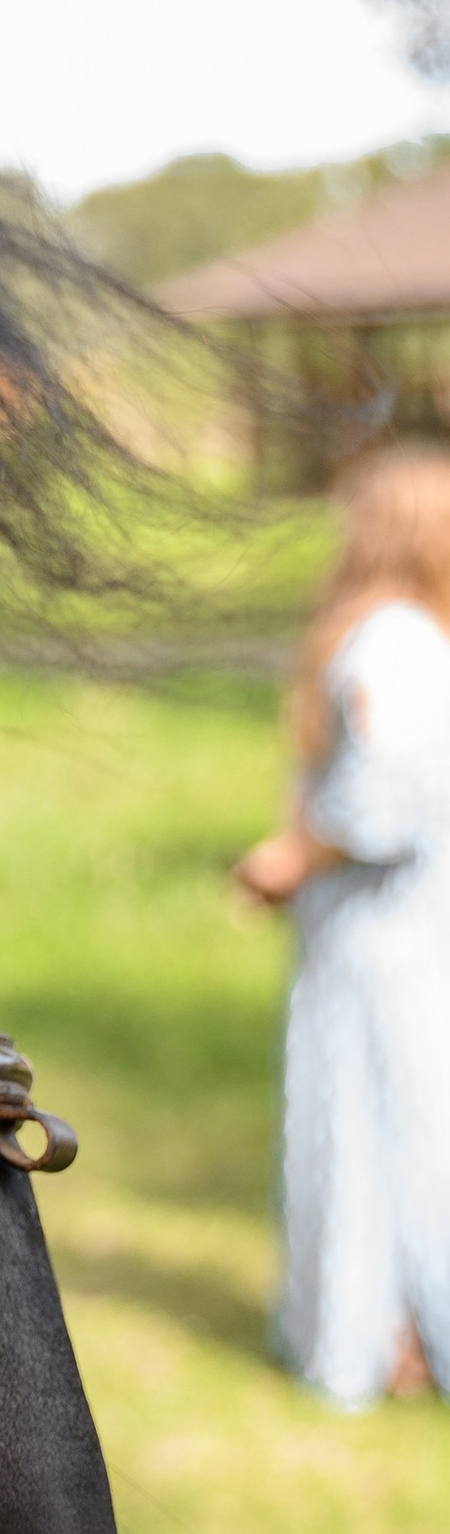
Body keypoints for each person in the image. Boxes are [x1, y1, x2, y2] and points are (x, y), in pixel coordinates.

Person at [237, 446, 450, 1404]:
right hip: (407, 929)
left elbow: (385, 799)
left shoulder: (386, 645)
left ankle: (372, 1340)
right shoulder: (422, 641)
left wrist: (289, 857)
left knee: (374, 1129)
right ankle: (395, 1334)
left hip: (381, 940)